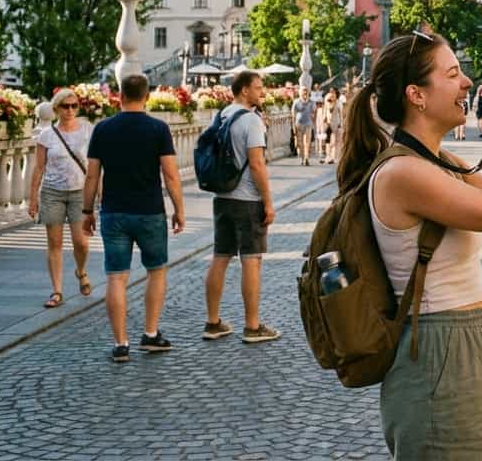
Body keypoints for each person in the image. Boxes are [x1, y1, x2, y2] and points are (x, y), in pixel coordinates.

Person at [338, 32, 482, 458]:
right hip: (437, 347)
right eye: (453, 74)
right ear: (417, 95)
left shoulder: (439, 161)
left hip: (479, 332)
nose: (467, 83)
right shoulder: (402, 173)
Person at [82, 74, 186, 363]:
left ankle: (120, 343)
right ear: (147, 96)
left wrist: (87, 211)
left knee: (116, 276)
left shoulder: (103, 129)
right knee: (156, 271)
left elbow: (92, 175)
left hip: (114, 211)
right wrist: (179, 208)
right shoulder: (158, 129)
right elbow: (170, 174)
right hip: (150, 211)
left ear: (120, 95)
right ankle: (150, 334)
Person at [202, 71, 280, 344]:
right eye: (258, 88)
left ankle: (213, 322)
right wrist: (268, 202)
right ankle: (252, 326)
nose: (262, 92)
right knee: (252, 260)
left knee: (220, 257)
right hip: (247, 199)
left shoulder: (223, 115)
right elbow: (257, 165)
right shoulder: (251, 120)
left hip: (223, 197)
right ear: (244, 90)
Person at [28, 88, 94, 309]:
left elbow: (95, 164)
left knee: (81, 242)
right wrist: (33, 198)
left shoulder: (87, 130)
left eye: (74, 105)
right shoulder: (46, 135)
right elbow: (38, 168)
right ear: (56, 109)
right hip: (52, 192)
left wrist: (98, 189)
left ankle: (81, 271)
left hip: (79, 192)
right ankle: (57, 291)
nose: (70, 110)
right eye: (66, 106)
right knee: (54, 243)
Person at [291, 86, 316, 166]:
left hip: (308, 124)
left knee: (307, 142)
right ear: (300, 92)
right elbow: (293, 115)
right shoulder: (296, 102)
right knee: (300, 143)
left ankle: (306, 158)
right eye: (303, 91)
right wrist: (293, 126)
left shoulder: (311, 102)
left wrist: (313, 123)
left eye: (306, 91)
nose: (305, 92)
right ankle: (302, 158)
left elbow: (314, 113)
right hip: (299, 124)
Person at [320, 88, 344, 164]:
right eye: (330, 92)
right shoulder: (327, 102)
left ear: (336, 94)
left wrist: (341, 124)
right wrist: (323, 120)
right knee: (328, 142)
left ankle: (334, 157)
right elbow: (325, 112)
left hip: (336, 124)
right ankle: (328, 157)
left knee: (335, 142)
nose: (331, 94)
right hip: (328, 124)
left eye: (333, 92)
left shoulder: (339, 103)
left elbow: (341, 114)